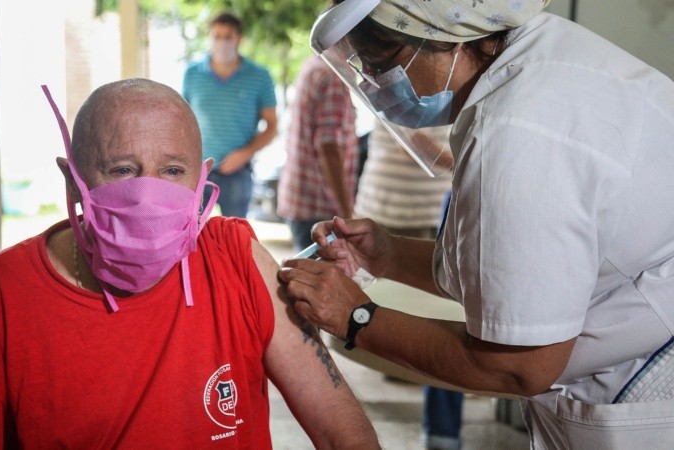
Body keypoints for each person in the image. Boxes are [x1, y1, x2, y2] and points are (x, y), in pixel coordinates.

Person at [279, 0, 674, 448]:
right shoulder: (541, 54)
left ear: (441, 34)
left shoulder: (516, 130)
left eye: (382, 67)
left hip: (649, 389)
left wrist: (355, 317)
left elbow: (519, 365)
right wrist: (388, 254)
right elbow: (515, 275)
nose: (376, 87)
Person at [0, 79, 380, 449]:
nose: (149, 197)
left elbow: (344, 433)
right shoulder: (1, 296)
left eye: (173, 172)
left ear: (201, 180)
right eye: (122, 170)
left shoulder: (235, 260)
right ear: (72, 181)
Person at [354, 123, 460, 450]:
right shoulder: (393, 93)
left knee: (445, 326)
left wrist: (440, 157)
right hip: (376, 216)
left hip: (428, 221)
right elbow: (408, 147)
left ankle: (442, 434)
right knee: (358, 319)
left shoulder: (458, 102)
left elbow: (471, 163)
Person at [182, 12, 278, 218]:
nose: (222, 42)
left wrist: (245, 153)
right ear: (209, 37)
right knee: (191, 235)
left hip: (237, 172)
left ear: (238, 39)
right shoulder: (192, 74)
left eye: (228, 37)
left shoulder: (259, 76)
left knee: (233, 237)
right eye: (217, 36)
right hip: (198, 171)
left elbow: (271, 127)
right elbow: (182, 120)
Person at [277, 53, 359, 251]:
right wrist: (347, 215)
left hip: (301, 199)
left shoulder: (315, 64)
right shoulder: (333, 75)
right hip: (319, 206)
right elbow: (328, 148)